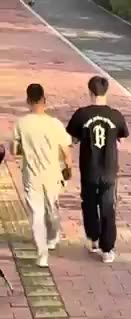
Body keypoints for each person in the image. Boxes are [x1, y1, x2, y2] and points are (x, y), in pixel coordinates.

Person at [66, 75, 129, 264]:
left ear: (90, 92)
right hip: (109, 170)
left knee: (89, 203)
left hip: (89, 168)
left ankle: (94, 238)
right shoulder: (116, 115)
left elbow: (72, 138)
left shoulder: (82, 114)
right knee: (108, 207)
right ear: (106, 91)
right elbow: (122, 138)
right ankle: (107, 249)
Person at [11, 83, 72, 268]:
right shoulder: (54, 124)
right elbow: (65, 150)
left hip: (32, 175)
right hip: (52, 174)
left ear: (28, 101)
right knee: (52, 208)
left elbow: (15, 150)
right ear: (44, 100)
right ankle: (53, 237)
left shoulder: (21, 124)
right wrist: (68, 167)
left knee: (36, 214)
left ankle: (42, 253)